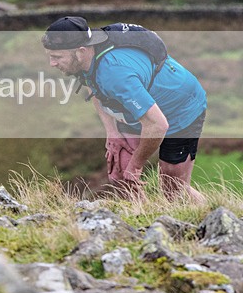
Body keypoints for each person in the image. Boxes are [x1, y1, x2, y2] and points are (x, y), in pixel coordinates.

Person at [42, 16, 207, 203]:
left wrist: (136, 165)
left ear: (80, 51)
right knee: (120, 176)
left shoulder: (115, 74)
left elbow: (158, 125)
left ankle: (215, 213)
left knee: (174, 191)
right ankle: (142, 224)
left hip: (182, 109)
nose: (52, 64)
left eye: (57, 57)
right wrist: (112, 132)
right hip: (139, 111)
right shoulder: (86, 59)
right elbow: (93, 86)